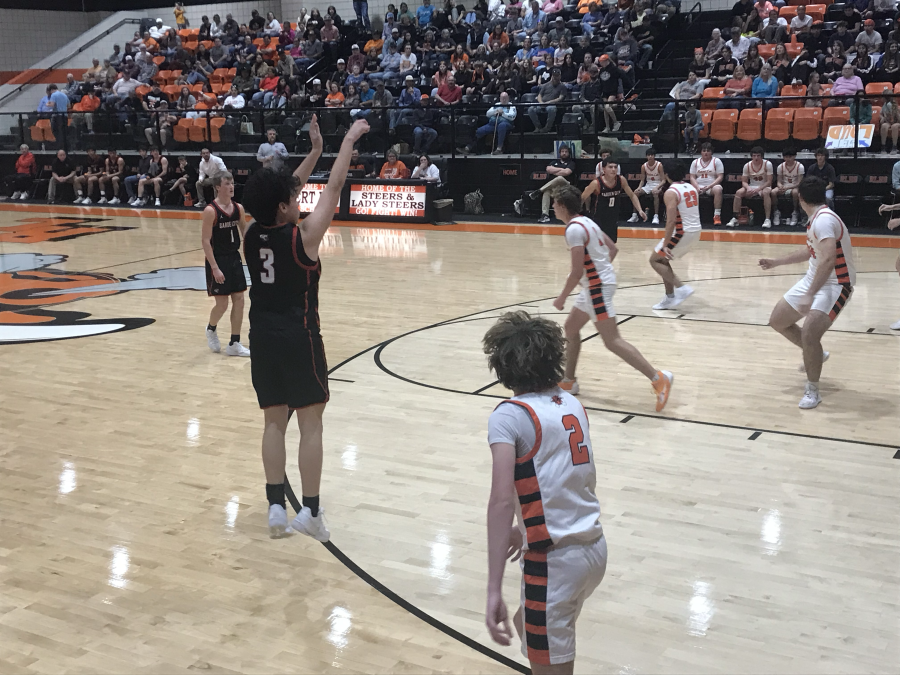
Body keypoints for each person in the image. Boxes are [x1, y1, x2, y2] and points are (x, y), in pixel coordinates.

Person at [241, 117, 370, 540]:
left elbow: (279, 193)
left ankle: (276, 505)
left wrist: (314, 152)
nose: (298, 198)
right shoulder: (305, 237)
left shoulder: (250, 231)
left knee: (273, 422)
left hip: (261, 336)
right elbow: (333, 190)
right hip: (300, 336)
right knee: (310, 424)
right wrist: (347, 139)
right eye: (291, 197)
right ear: (284, 206)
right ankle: (310, 512)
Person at [481, 310, 607, 674]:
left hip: (554, 562)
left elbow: (501, 500)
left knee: (545, 647)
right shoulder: (570, 403)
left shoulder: (509, 415)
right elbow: (565, 476)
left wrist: (493, 589)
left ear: (501, 365)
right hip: (594, 549)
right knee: (527, 626)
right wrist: (527, 526)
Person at [550, 184, 673, 408]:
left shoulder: (573, 230)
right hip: (597, 285)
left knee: (612, 341)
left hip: (596, 287)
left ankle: (659, 379)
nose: (552, 208)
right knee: (571, 328)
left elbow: (577, 271)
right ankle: (569, 381)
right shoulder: (587, 222)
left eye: (554, 204)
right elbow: (612, 249)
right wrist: (600, 272)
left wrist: (562, 297)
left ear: (562, 206)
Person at [758, 177, 856, 409]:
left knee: (810, 334)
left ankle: (813, 389)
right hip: (815, 278)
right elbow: (811, 251)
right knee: (778, 321)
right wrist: (776, 262)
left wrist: (810, 294)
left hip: (837, 283)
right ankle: (815, 355)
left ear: (800, 198)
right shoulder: (818, 218)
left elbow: (830, 260)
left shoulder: (823, 221)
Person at [202, 171, 250, 358]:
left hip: (234, 257)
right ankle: (211, 328)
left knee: (239, 300)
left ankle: (234, 342)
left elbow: (246, 234)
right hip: (218, 259)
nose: (231, 186)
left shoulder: (238, 208)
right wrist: (214, 267)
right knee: (221, 304)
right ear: (218, 187)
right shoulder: (210, 211)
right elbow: (206, 241)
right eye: (227, 183)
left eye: (232, 183)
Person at [649, 161, 701, 310]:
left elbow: (671, 220)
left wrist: (665, 243)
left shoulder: (671, 192)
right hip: (696, 230)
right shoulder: (691, 187)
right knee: (662, 260)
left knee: (654, 260)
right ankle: (669, 297)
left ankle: (681, 288)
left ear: (666, 175)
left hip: (681, 232)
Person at [580, 156, 646, 243]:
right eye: (610, 167)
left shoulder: (621, 180)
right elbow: (582, 198)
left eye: (615, 167)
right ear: (604, 169)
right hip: (598, 219)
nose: (613, 169)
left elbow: (632, 195)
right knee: (597, 246)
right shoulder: (596, 183)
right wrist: (574, 215)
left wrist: (640, 210)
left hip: (613, 218)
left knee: (611, 246)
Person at [727, 146, 773, 228]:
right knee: (738, 193)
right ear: (751, 156)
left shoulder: (767, 164)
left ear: (762, 156)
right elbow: (744, 182)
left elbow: (769, 182)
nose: (756, 158)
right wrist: (748, 188)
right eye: (754, 156)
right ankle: (735, 217)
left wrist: (758, 189)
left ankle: (767, 219)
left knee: (766, 193)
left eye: (758, 156)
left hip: (764, 186)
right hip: (752, 186)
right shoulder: (747, 165)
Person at [533, 143, 576, 223]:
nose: (564, 153)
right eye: (562, 151)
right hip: (555, 188)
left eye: (566, 151)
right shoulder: (554, 162)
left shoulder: (571, 163)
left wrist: (555, 170)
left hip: (567, 186)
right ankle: (545, 215)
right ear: (559, 153)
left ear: (568, 153)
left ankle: (539, 191)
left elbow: (567, 172)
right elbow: (548, 169)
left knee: (560, 178)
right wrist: (561, 170)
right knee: (547, 192)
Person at [629, 148, 667, 225]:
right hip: (648, 185)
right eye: (648, 155)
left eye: (652, 155)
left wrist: (657, 187)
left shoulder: (659, 165)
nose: (650, 157)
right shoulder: (644, 166)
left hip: (658, 184)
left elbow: (663, 180)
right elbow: (642, 180)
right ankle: (635, 215)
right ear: (646, 156)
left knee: (655, 193)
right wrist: (639, 187)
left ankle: (656, 216)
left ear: (654, 156)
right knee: (635, 193)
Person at [690, 143, 724, 225]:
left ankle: (717, 215)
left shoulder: (716, 161)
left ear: (711, 152)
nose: (706, 153)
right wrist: (697, 187)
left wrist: (709, 186)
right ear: (701, 152)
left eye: (708, 151)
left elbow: (720, 177)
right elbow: (692, 177)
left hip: (711, 186)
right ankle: (692, 217)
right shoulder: (695, 162)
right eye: (704, 151)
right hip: (699, 185)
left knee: (718, 189)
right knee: (689, 190)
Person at [771, 148, 806, 227]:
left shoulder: (799, 166)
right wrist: (781, 186)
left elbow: (799, 183)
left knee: (795, 192)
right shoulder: (780, 167)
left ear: (794, 157)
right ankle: (776, 212)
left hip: (794, 186)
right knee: (773, 192)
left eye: (790, 157)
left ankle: (795, 212)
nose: (788, 159)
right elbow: (779, 181)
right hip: (784, 186)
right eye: (786, 157)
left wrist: (787, 188)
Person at [529, 67, 566, 133]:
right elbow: (539, 95)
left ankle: (547, 128)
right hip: (542, 104)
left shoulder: (562, 86)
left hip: (552, 104)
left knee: (551, 109)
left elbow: (560, 98)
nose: (555, 78)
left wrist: (549, 102)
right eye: (554, 76)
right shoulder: (546, 85)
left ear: (560, 76)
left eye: (557, 76)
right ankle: (538, 127)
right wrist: (541, 102)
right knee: (531, 109)